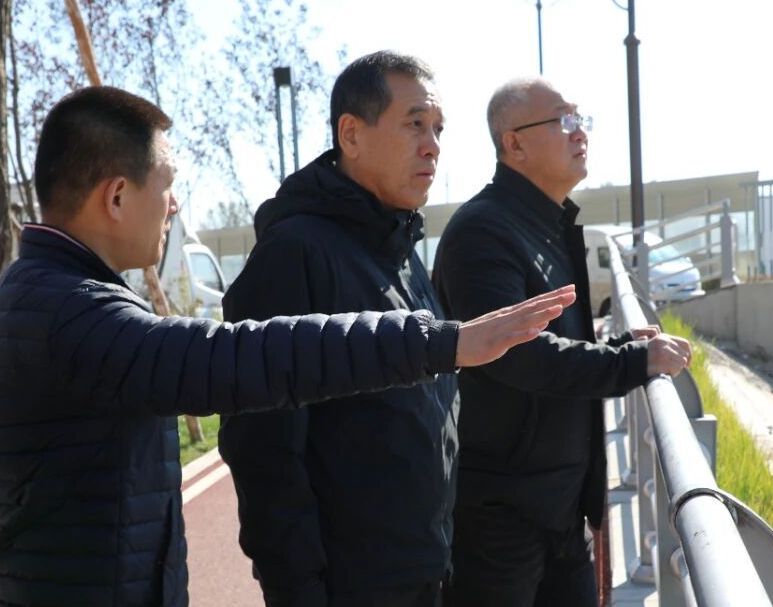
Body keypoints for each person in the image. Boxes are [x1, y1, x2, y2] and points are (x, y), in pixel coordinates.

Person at [0, 85, 574, 607]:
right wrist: (443, 343)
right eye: (167, 184)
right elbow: (246, 358)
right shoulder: (68, 315)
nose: (173, 205)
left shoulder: (55, 297)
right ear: (118, 197)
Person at [219, 51, 470, 607]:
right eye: (415, 124)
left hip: (426, 571)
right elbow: (263, 452)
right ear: (351, 135)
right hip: (350, 586)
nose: (432, 145)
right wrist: (298, 591)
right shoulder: (294, 255)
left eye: (438, 128)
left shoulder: (401, 247)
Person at [432, 77, 693, 606]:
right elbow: (518, 354)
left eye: (580, 119)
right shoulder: (482, 232)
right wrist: (633, 362)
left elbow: (554, 340)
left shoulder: (544, 224)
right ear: (514, 143)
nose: (580, 133)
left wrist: (620, 346)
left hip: (560, 508)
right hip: (499, 517)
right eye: (563, 120)